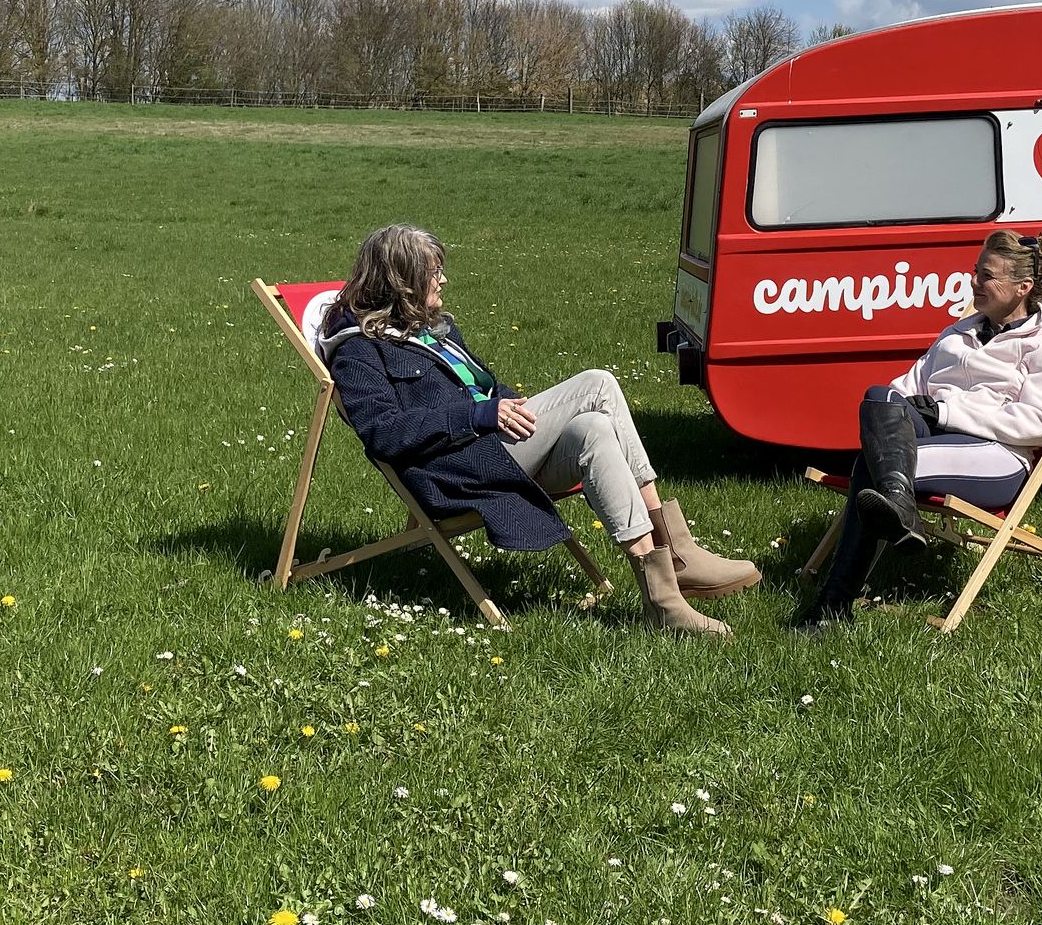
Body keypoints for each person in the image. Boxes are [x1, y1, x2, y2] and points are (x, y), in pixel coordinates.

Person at [319, 223, 759, 636]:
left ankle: (661, 600)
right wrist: (479, 416)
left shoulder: (429, 330)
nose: (443, 281)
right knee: (598, 383)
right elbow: (384, 432)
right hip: (462, 468)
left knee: (593, 428)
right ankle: (677, 551)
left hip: (494, 448)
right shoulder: (358, 351)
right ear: (401, 281)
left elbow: (488, 387)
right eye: (433, 272)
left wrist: (507, 406)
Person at [793, 230, 1042, 630]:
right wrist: (910, 409)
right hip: (937, 435)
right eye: (975, 273)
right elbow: (904, 389)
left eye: (987, 276)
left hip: (998, 456)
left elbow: (1041, 424)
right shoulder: (958, 332)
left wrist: (946, 412)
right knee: (879, 396)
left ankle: (833, 603)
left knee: (872, 466)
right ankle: (897, 515)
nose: (974, 283)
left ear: (1023, 287)